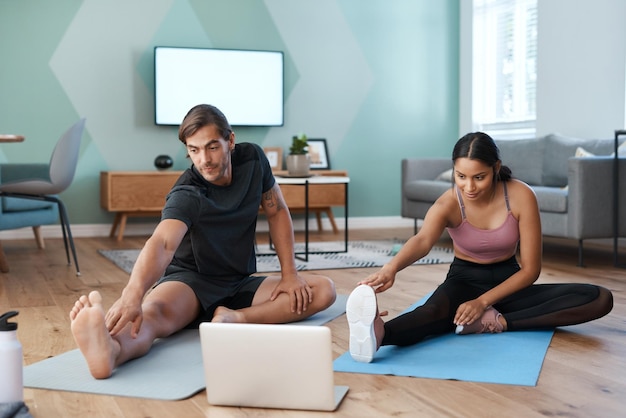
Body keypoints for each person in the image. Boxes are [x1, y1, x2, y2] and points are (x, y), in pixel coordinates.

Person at [70, 104, 337, 378]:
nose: (204, 159)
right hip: (190, 283)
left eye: (212, 147)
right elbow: (162, 243)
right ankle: (111, 351)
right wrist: (132, 295)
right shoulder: (188, 192)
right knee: (151, 315)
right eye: (194, 150)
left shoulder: (253, 160)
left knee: (323, 290)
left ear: (230, 140)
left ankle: (235, 319)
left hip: (239, 283)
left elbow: (277, 210)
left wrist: (290, 274)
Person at [346, 132, 613, 363]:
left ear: (496, 167)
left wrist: (483, 302)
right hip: (464, 280)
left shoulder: (521, 196)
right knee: (433, 312)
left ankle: (497, 321)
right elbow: (423, 240)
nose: (469, 187)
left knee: (599, 298)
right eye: (460, 176)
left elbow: (531, 270)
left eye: (479, 177)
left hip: (510, 283)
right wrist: (391, 268)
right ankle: (379, 333)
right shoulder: (448, 202)